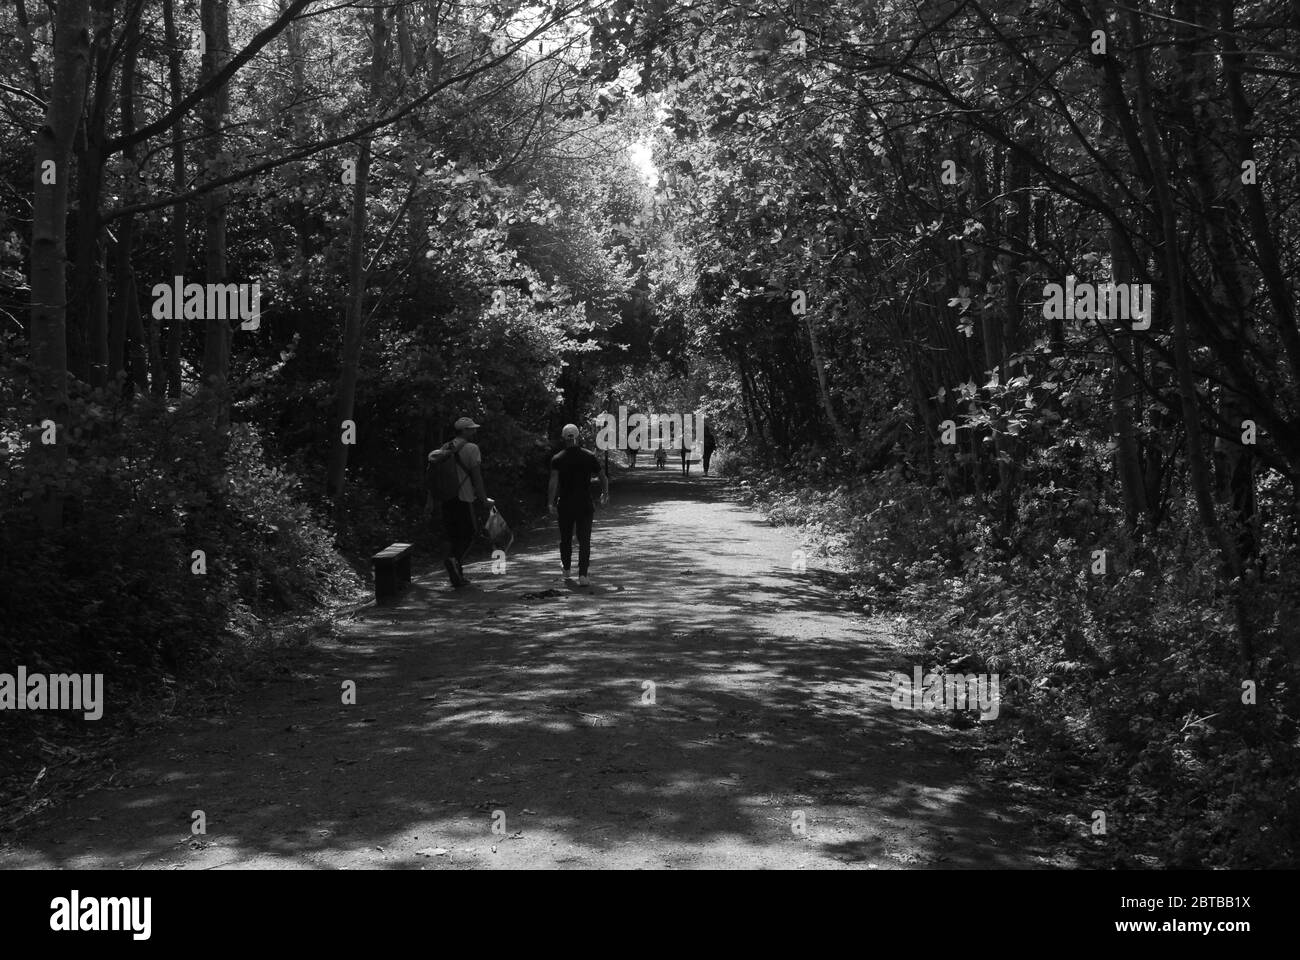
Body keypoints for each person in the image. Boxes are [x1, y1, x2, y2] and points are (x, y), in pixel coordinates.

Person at [430, 416, 492, 588]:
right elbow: (476, 477)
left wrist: (431, 500)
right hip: (463, 498)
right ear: (463, 431)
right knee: (470, 532)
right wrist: (484, 499)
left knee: (453, 534)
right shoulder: (472, 448)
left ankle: (457, 573)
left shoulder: (445, 448)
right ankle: (454, 561)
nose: (474, 431)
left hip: (446, 498)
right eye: (471, 429)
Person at [548, 423, 608, 586]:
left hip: (565, 504)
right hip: (584, 503)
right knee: (584, 539)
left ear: (563, 437)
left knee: (565, 538)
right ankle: (583, 575)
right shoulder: (589, 456)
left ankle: (566, 569)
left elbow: (553, 483)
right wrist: (605, 494)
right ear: (578, 436)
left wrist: (550, 503)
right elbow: (602, 477)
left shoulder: (558, 458)